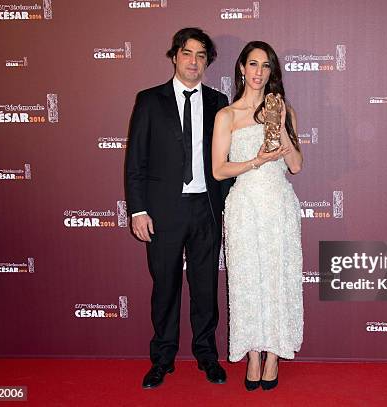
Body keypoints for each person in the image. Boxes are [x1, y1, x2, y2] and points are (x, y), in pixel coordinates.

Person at [125, 27, 230, 389]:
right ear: (175, 56)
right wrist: (138, 210)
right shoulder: (150, 100)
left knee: (205, 288)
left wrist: (230, 208)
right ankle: (163, 358)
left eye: (202, 56)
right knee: (165, 287)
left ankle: (206, 355)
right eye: (188, 53)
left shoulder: (219, 102)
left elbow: (227, 161)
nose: (194, 62)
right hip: (163, 212)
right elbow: (135, 161)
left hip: (206, 209)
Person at [212, 41, 304, 391]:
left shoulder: (285, 110)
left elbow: (295, 165)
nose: (258, 72)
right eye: (253, 64)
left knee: (279, 278)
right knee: (247, 280)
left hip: (278, 205)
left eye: (266, 66)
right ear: (241, 69)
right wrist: (257, 161)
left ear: (272, 72)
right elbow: (219, 170)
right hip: (244, 206)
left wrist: (277, 121)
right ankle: (252, 354)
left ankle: (275, 353)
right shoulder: (228, 115)